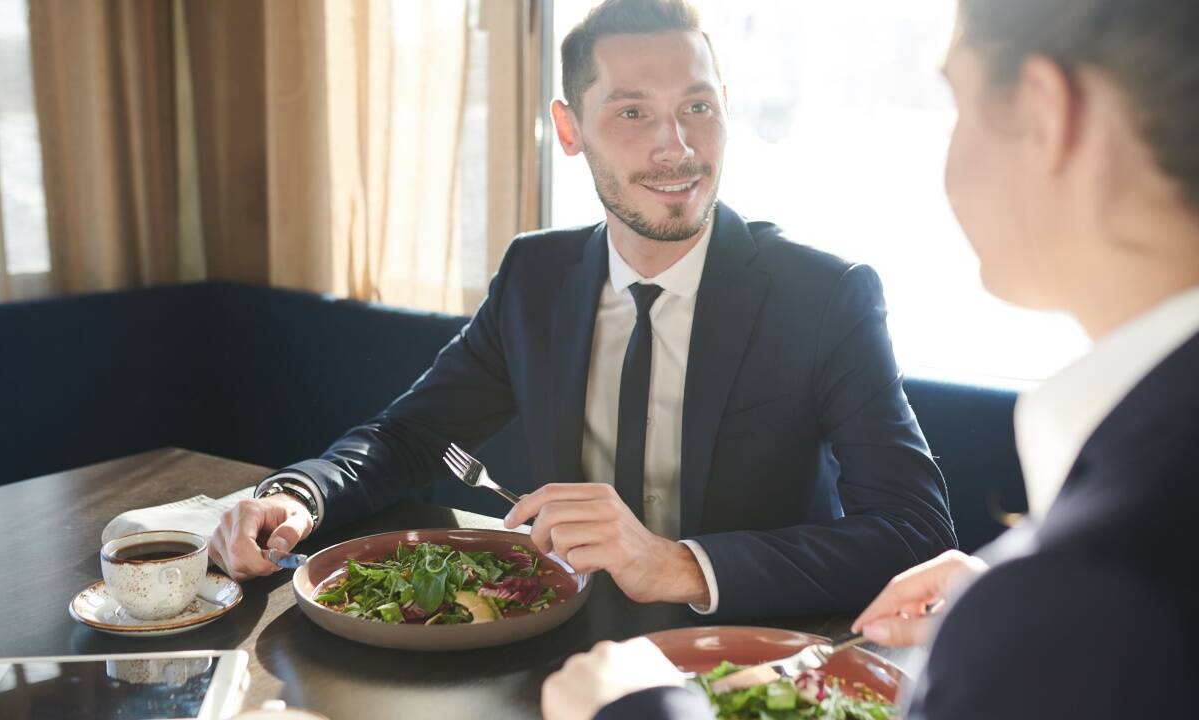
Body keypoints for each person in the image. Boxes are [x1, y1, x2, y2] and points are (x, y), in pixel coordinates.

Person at [544, 0, 1199, 717]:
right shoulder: (1089, 577)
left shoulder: (1087, 589)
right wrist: (995, 605)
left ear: (1047, 115)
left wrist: (634, 709)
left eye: (956, 103)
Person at [209, 0, 955, 619]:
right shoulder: (536, 276)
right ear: (570, 131)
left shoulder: (825, 296)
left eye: (697, 106)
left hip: (748, 658)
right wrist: (297, 495)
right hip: (561, 648)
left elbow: (915, 533)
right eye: (633, 112)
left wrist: (679, 565)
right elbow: (410, 437)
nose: (677, 146)